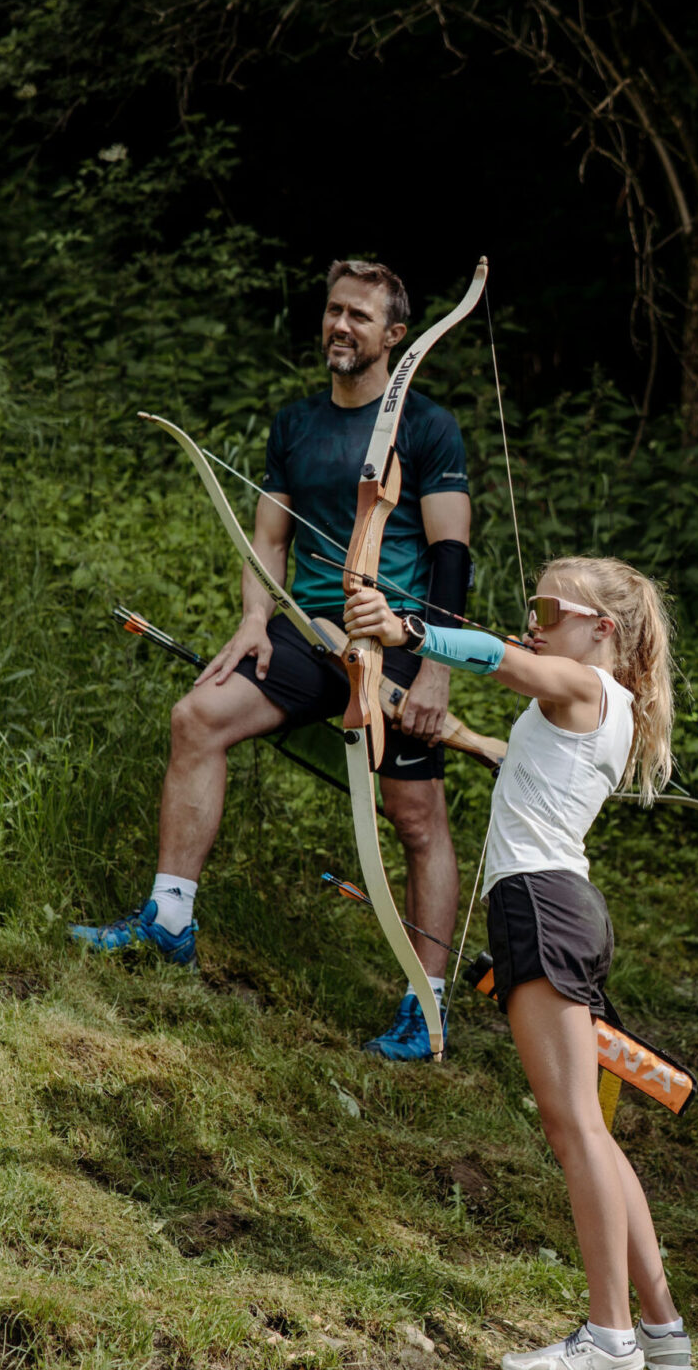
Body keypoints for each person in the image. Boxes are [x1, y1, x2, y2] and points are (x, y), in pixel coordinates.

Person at [71, 258, 473, 1062]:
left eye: (360, 316)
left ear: (397, 336)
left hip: (392, 644)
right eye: (333, 311)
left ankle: (426, 1005)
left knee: (416, 819)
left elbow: (452, 554)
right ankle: (171, 921)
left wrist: (435, 667)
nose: (340, 327)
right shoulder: (294, 424)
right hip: (302, 631)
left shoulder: (428, 426)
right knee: (198, 717)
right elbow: (269, 537)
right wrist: (257, 618)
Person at [344, 556, 691, 1370]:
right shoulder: (598, 704)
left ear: (602, 627)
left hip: (540, 905)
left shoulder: (577, 681)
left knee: (572, 1123)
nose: (532, 618)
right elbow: (526, 754)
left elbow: (507, 661)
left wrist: (405, 632)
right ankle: (661, 1331)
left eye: (547, 606)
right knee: (589, 1129)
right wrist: (447, 729)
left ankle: (609, 1345)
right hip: (560, 905)